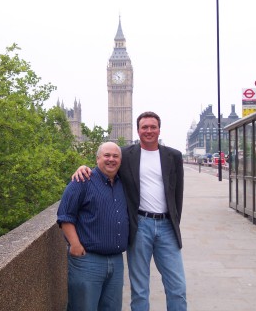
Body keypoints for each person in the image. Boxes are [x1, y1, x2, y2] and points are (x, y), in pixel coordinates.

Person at [73, 111, 187, 310]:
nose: (149, 131)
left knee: (177, 286)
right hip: (140, 225)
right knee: (140, 289)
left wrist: (174, 221)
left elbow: (178, 194)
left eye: (153, 127)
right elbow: (106, 165)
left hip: (167, 226)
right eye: (145, 127)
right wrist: (84, 168)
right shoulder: (126, 155)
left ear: (159, 129)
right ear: (138, 130)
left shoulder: (174, 156)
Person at [57, 142, 129, 310]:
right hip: (88, 260)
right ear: (97, 159)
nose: (111, 159)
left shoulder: (122, 183)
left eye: (115, 156)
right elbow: (65, 216)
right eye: (106, 155)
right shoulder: (82, 180)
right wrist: (75, 245)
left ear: (120, 160)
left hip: (116, 261)